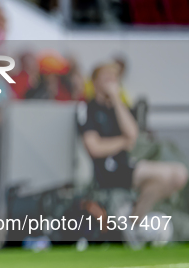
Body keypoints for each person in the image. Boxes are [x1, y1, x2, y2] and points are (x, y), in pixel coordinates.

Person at [77, 63, 188, 244]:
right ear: (95, 81)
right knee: (174, 174)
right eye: (107, 78)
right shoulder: (88, 109)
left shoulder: (118, 108)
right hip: (107, 172)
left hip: (126, 166)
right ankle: (134, 223)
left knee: (178, 175)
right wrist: (123, 142)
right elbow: (95, 147)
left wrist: (116, 98)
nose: (111, 83)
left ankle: (134, 221)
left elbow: (133, 135)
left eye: (114, 79)